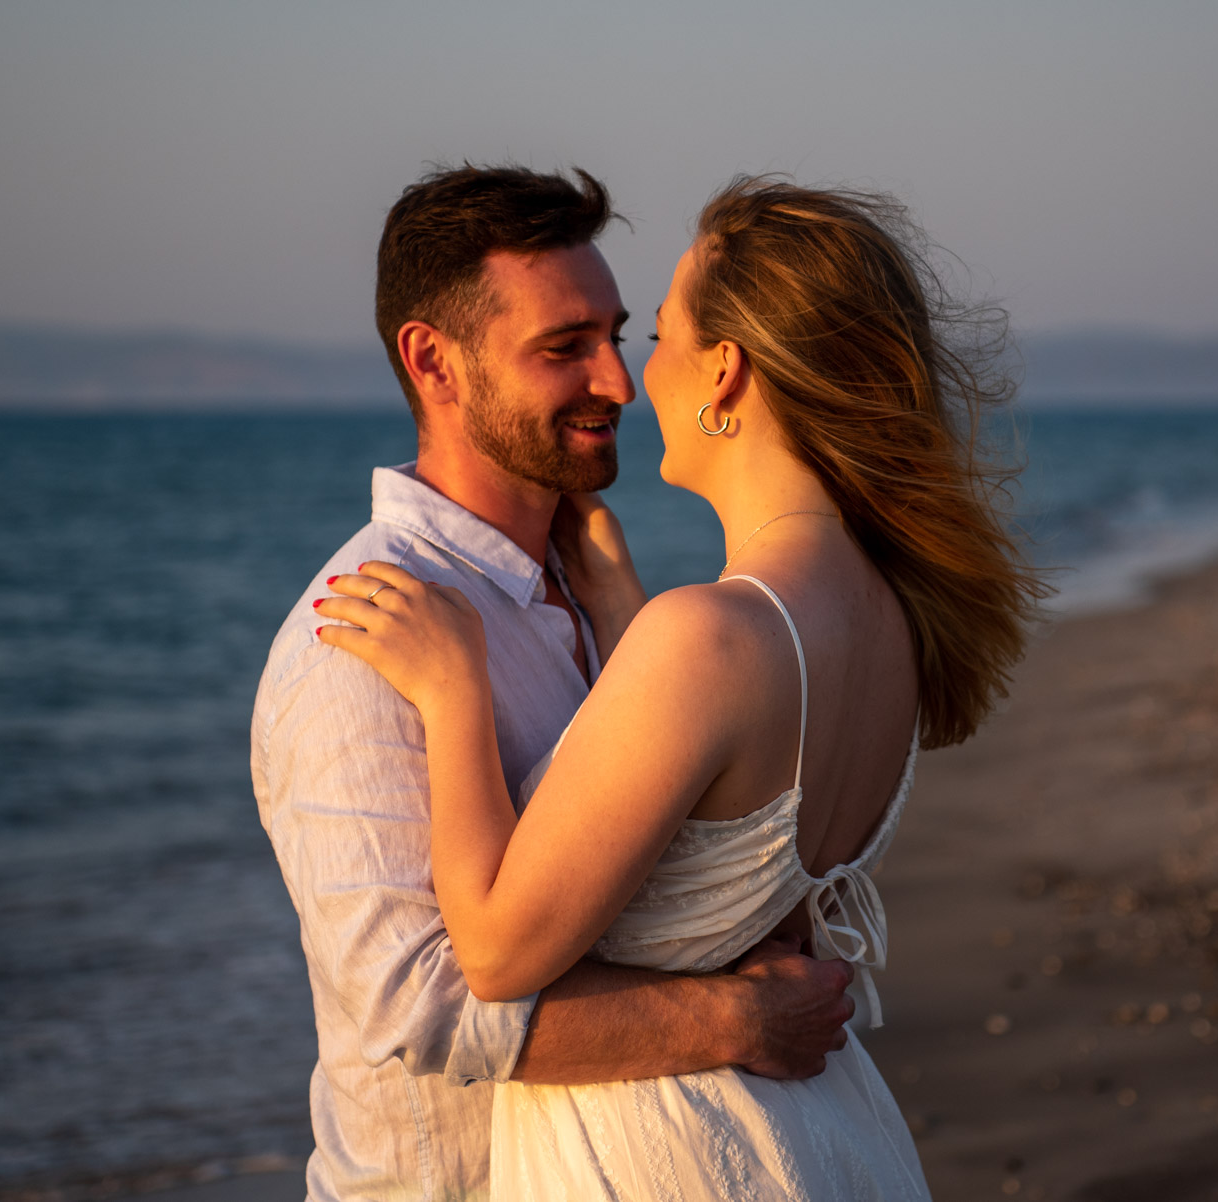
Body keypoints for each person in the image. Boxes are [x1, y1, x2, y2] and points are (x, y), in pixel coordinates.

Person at [317, 178, 1044, 1198]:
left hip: (675, 1153)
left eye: (651, 336)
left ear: (726, 373)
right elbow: (728, 867)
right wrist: (623, 614)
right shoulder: (889, 617)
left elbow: (487, 951)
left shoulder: (707, 637)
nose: (626, 379)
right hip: (828, 1133)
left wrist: (452, 687)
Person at [250, 166, 860, 1202]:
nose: (618, 383)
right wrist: (738, 1019)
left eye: (616, 337)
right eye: (563, 349)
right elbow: (416, 1005)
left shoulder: (592, 590)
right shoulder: (358, 640)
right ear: (431, 362)